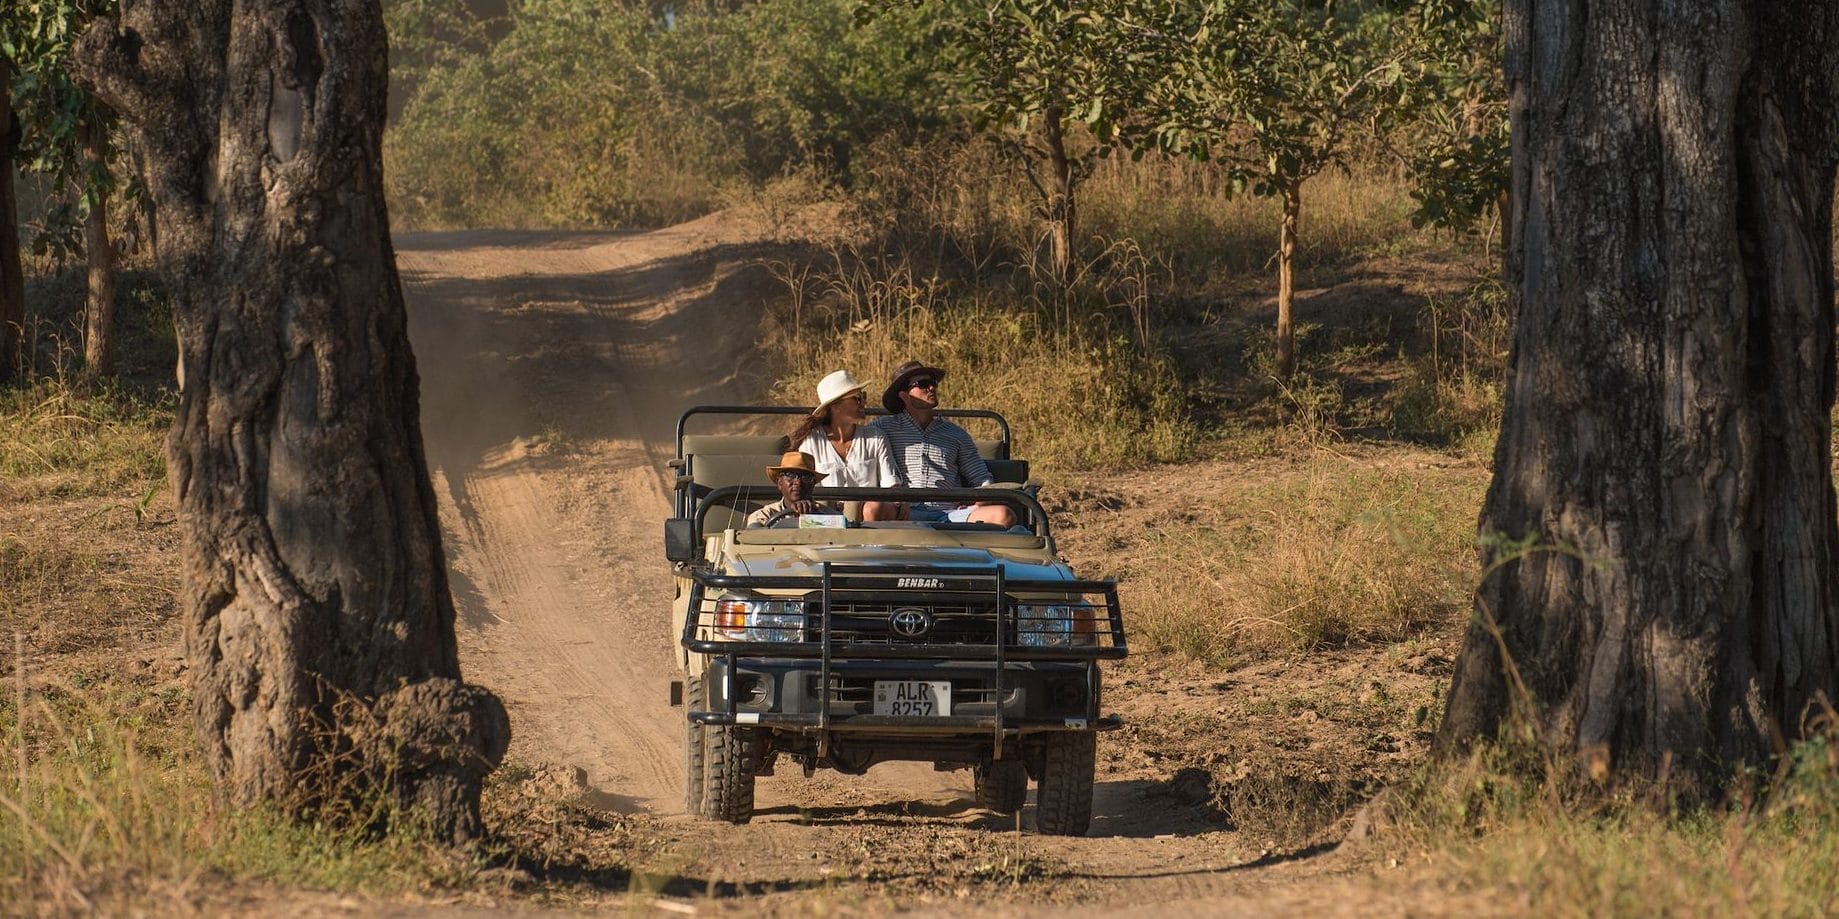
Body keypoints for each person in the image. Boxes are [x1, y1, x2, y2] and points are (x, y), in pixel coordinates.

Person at [871, 360, 1016, 527]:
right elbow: (856, 451)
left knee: (1003, 515)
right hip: (901, 512)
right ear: (903, 395)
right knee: (874, 509)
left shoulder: (956, 434)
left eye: (933, 383)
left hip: (948, 514)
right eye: (923, 384)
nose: (932, 388)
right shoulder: (882, 428)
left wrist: (981, 499)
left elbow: (980, 477)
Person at [787, 370, 899, 521]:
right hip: (824, 515)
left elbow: (890, 485)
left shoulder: (876, 438)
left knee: (875, 508)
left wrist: (898, 503)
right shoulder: (811, 442)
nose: (863, 403)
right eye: (857, 398)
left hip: (867, 518)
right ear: (836, 406)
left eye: (863, 397)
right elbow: (802, 489)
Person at [745, 451, 843, 528]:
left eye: (805, 477)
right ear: (780, 483)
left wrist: (814, 518)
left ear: (813, 484)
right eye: (790, 475)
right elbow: (754, 533)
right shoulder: (765, 515)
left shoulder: (831, 516)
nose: (798, 482)